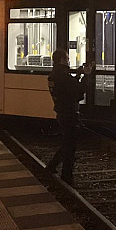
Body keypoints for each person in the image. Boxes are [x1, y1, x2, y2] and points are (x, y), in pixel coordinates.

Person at [46, 50, 93, 184]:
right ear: (62, 60)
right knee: (70, 146)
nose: (68, 60)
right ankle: (66, 175)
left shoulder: (54, 75)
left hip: (62, 112)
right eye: (67, 58)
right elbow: (79, 90)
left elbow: (69, 88)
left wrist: (77, 75)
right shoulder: (63, 76)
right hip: (69, 113)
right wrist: (86, 76)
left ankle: (53, 166)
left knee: (67, 142)